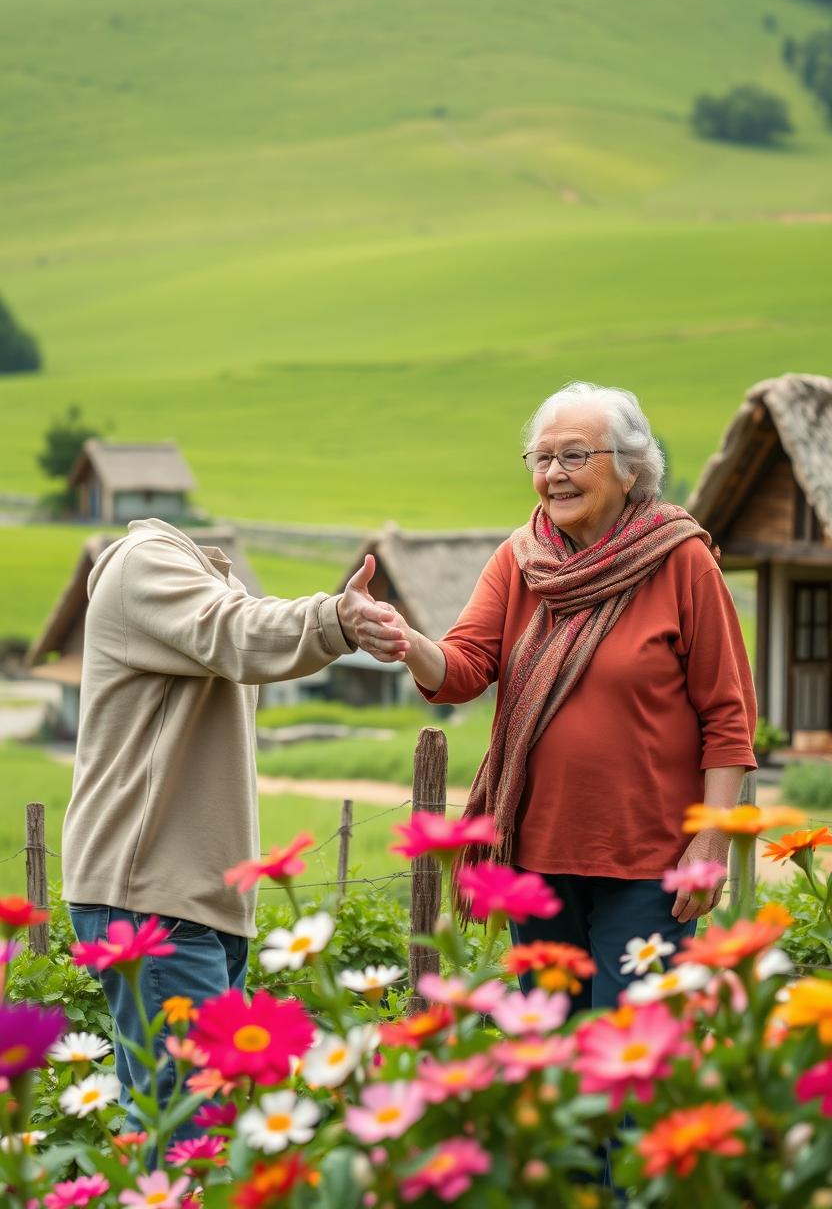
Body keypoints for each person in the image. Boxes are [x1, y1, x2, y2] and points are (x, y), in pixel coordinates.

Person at [361, 381, 757, 1011]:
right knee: (555, 1060)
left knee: (632, 1056)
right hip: (536, 861)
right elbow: (464, 669)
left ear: (631, 470)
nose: (554, 475)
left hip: (651, 863)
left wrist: (711, 839)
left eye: (575, 456)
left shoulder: (682, 562)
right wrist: (409, 641)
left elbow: (727, 714)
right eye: (542, 459)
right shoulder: (519, 561)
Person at [63, 517, 398, 1130]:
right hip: (153, 897)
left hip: (192, 898)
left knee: (185, 1120)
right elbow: (235, 632)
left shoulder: (200, 578)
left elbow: (235, 625)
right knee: (188, 1125)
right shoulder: (147, 563)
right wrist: (335, 620)